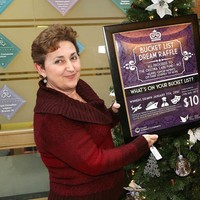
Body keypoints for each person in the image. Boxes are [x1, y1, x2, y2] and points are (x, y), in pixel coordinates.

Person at [31, 24, 158, 200]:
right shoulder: (51, 116)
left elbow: (93, 124)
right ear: (41, 69)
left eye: (73, 57)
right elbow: (96, 162)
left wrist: (113, 113)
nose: (71, 68)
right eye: (59, 61)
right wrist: (140, 145)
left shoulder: (79, 87)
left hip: (112, 192)